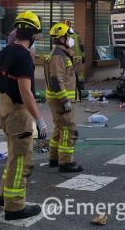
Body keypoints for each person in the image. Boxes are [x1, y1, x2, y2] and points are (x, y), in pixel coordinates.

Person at [0, 11, 48, 220]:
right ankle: (15, 206)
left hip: (5, 109)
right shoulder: (24, 56)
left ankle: (4, 197)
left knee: (12, 156)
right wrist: (40, 120)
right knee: (21, 161)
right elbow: (26, 92)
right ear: (33, 34)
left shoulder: (5, 51)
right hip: (18, 114)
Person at [45, 22, 83, 173]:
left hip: (59, 99)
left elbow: (68, 73)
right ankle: (66, 163)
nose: (70, 39)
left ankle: (54, 158)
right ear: (62, 38)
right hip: (61, 100)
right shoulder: (58, 56)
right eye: (68, 36)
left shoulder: (62, 53)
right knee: (69, 130)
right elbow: (55, 79)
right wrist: (65, 100)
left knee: (59, 129)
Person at [63, 20, 85, 101]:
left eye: (68, 25)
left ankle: (81, 91)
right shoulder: (64, 35)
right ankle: (73, 92)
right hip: (70, 58)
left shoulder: (76, 34)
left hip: (77, 58)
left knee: (80, 75)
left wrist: (83, 56)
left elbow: (81, 46)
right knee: (71, 75)